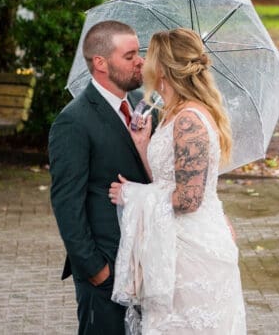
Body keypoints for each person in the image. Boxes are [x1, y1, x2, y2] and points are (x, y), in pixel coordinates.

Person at [108, 27, 246, 334]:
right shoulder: (173, 114)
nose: (143, 64)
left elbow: (187, 199)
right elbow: (168, 179)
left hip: (192, 252)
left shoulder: (188, 120)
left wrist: (132, 196)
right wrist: (144, 145)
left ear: (163, 68)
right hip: (174, 245)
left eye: (149, 58)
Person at [49, 20, 151, 335]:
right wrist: (95, 269)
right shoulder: (73, 122)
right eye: (130, 55)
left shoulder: (141, 106)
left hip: (145, 260)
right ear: (101, 63)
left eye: (140, 53)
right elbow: (67, 202)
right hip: (106, 266)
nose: (141, 62)